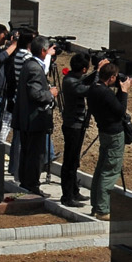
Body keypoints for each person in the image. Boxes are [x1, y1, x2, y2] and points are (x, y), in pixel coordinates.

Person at [85, 61, 132, 219]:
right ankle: (103, 210)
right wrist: (124, 91)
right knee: (110, 171)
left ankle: (96, 205)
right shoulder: (105, 93)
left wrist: (119, 90)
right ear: (112, 77)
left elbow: (112, 106)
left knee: (100, 169)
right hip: (114, 135)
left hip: (104, 131)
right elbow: (120, 111)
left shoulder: (94, 89)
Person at [13, 36, 56, 194]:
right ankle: (32, 184)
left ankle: (27, 182)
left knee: (28, 152)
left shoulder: (29, 64)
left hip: (26, 118)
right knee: (35, 154)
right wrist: (50, 94)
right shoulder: (35, 68)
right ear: (43, 51)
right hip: (34, 119)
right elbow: (35, 94)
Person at [57, 52, 93, 208]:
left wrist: (97, 72)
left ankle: (74, 190)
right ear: (84, 69)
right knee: (70, 162)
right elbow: (88, 90)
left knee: (74, 160)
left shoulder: (74, 78)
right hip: (73, 126)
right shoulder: (71, 82)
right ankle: (67, 196)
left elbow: (86, 82)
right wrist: (99, 76)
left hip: (77, 124)